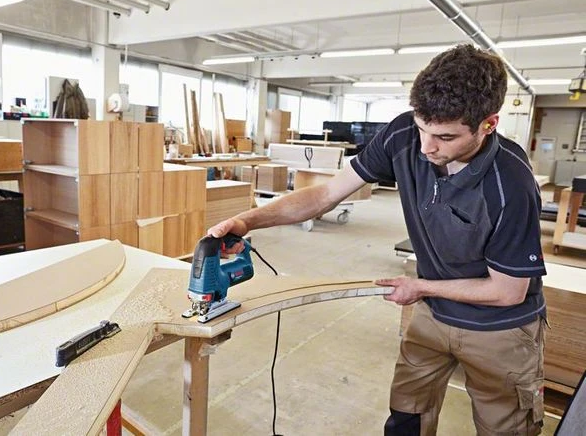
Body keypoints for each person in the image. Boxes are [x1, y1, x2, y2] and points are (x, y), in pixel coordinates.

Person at [208, 44, 547, 435]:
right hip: (433, 311)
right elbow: (324, 195)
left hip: (499, 329)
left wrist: (420, 286)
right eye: (421, 128)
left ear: (488, 124)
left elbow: (507, 292)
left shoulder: (511, 184)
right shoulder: (403, 134)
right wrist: (246, 221)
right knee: (406, 415)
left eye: (445, 136)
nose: (426, 147)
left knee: (505, 428)